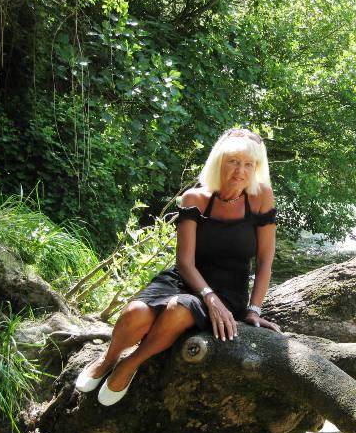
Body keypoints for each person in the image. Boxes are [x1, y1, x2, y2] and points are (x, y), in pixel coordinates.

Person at [75, 128, 281, 406]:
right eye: (233, 161)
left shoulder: (261, 197)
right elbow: (184, 261)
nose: (240, 171)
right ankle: (108, 358)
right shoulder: (195, 198)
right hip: (185, 277)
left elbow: (265, 259)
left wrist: (254, 309)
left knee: (179, 310)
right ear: (219, 161)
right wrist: (208, 296)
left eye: (248, 164)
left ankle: (130, 363)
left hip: (228, 290)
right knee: (135, 313)